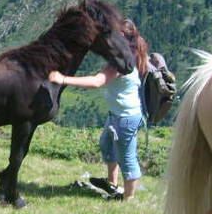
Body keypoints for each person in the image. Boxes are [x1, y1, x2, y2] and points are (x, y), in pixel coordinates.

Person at [48, 18, 148, 201]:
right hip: (117, 115)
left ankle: (128, 199)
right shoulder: (128, 54)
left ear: (123, 37)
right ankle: (112, 184)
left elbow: (97, 82)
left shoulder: (123, 62)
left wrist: (63, 79)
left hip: (125, 118)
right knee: (107, 146)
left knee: (127, 158)